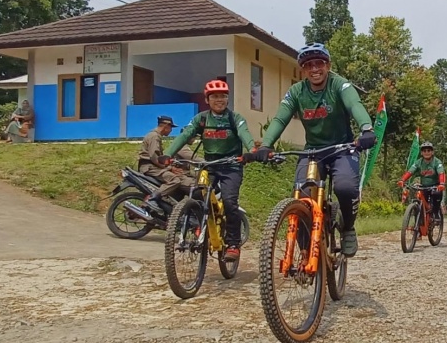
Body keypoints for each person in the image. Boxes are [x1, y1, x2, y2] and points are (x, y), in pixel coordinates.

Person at [252, 42, 377, 258]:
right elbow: (281, 118)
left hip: (343, 148)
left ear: (328, 65)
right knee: (300, 197)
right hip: (312, 152)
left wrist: (366, 128)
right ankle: (305, 247)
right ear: (303, 70)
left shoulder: (340, 85)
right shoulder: (297, 92)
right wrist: (266, 144)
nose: (314, 69)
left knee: (346, 187)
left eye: (319, 63)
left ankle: (348, 227)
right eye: (308, 65)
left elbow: (355, 105)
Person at [162, 79, 256, 262]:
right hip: (210, 165)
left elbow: (245, 134)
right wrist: (167, 154)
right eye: (214, 97)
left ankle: (233, 244)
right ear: (207, 99)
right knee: (197, 194)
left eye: (223, 96)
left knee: (229, 202)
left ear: (227, 99)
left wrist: (251, 151)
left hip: (232, 166)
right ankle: (200, 226)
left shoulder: (235, 118)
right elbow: (185, 135)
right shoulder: (202, 119)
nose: (219, 100)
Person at [139, 116, 194, 213]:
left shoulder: (155, 136)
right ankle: (152, 199)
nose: (171, 130)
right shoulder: (154, 136)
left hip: (153, 166)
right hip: (149, 167)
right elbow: (154, 157)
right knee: (175, 180)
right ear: (166, 126)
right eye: (171, 127)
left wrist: (170, 165)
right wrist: (168, 168)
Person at [397, 142, 447, 217]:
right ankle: (419, 223)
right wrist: (402, 180)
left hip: (436, 186)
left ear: (432, 152)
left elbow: (441, 172)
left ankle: (436, 214)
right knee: (420, 201)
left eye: (429, 150)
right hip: (424, 186)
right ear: (421, 153)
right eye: (424, 151)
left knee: (437, 194)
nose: (426, 152)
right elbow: (410, 171)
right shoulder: (418, 162)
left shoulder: (437, 162)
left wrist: (442, 183)